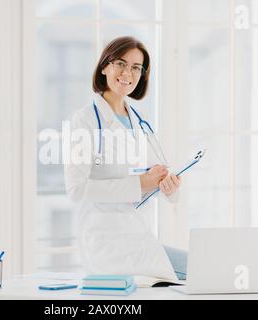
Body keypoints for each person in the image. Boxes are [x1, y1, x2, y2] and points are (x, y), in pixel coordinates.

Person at [64, 36, 187, 281]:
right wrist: (141, 183)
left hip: (138, 234)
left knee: (202, 270)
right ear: (104, 67)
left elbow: (157, 176)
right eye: (120, 63)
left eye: (136, 67)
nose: (127, 73)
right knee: (200, 271)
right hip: (105, 240)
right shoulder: (85, 120)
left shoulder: (140, 121)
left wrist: (170, 188)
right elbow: (76, 189)